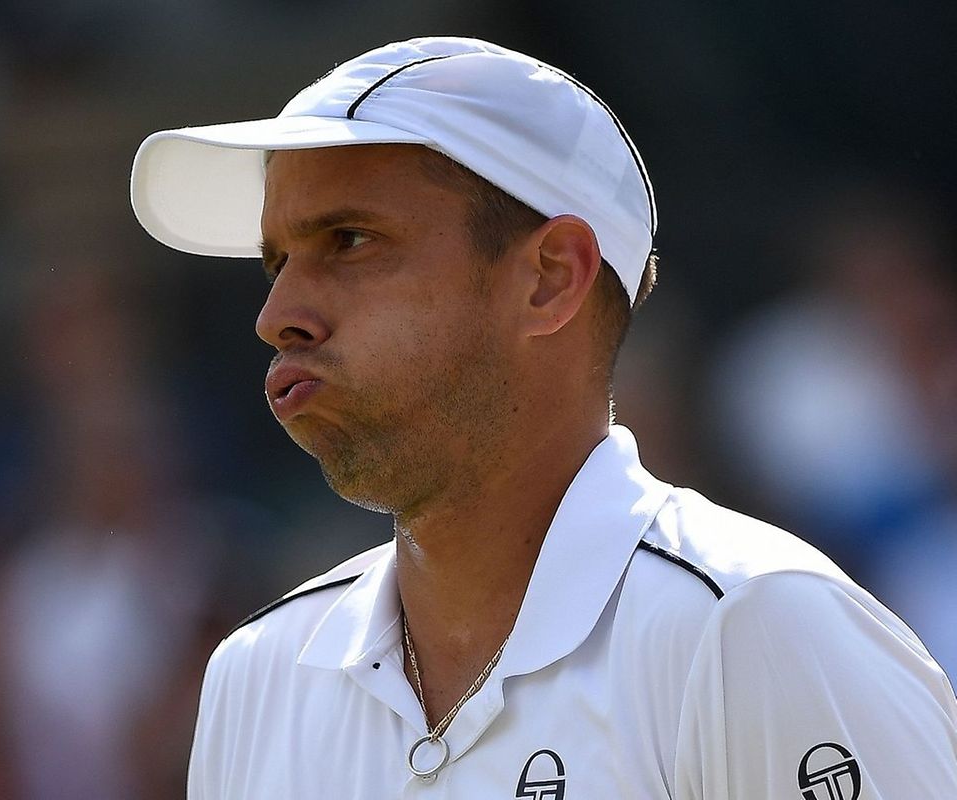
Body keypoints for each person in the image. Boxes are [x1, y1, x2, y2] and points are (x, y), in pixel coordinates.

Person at [130, 36, 957, 798]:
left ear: (552, 278)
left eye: (349, 240)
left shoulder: (755, 627)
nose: (277, 315)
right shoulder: (255, 675)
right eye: (277, 261)